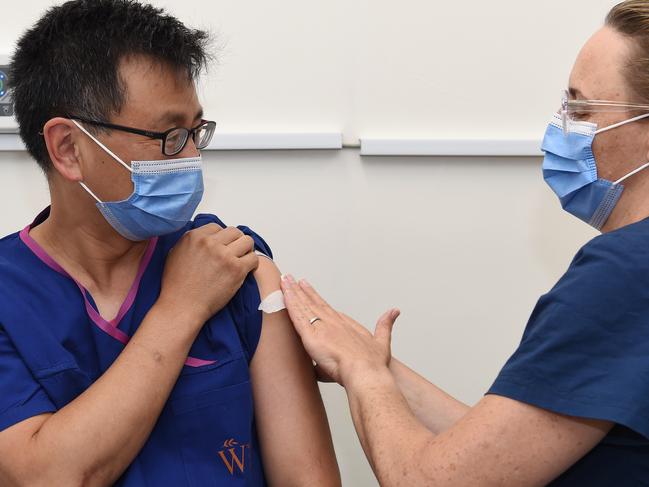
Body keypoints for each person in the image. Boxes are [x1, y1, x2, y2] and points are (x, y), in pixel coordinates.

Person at [280, 1, 649, 485]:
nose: (560, 128)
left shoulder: (622, 274)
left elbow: (431, 481)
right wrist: (377, 366)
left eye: (581, 109)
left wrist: (362, 375)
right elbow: (503, 452)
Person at [0, 1, 340, 485]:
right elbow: (45, 476)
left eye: (196, 130)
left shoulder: (233, 262)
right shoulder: (9, 298)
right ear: (69, 149)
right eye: (169, 135)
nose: (193, 155)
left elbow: (309, 479)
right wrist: (180, 308)